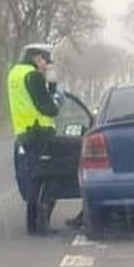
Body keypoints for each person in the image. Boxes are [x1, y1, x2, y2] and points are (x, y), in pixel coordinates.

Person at [6, 44, 83, 230]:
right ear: (36, 57)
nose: (48, 64)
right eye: (46, 60)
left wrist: (51, 79)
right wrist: (58, 98)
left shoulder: (15, 74)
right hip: (39, 132)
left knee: (36, 177)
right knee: (57, 171)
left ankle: (35, 224)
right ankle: (41, 224)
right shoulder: (32, 76)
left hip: (24, 133)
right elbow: (49, 108)